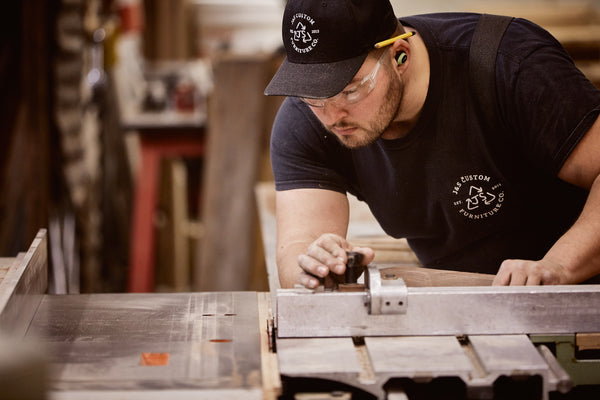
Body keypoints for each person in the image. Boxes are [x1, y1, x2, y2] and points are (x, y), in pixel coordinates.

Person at [264, 0, 600, 289]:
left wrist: (558, 266)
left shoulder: (510, 66)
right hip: (466, 300)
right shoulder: (309, 119)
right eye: (313, 93)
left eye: (350, 90)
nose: (332, 114)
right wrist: (315, 268)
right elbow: (297, 248)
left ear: (400, 55)